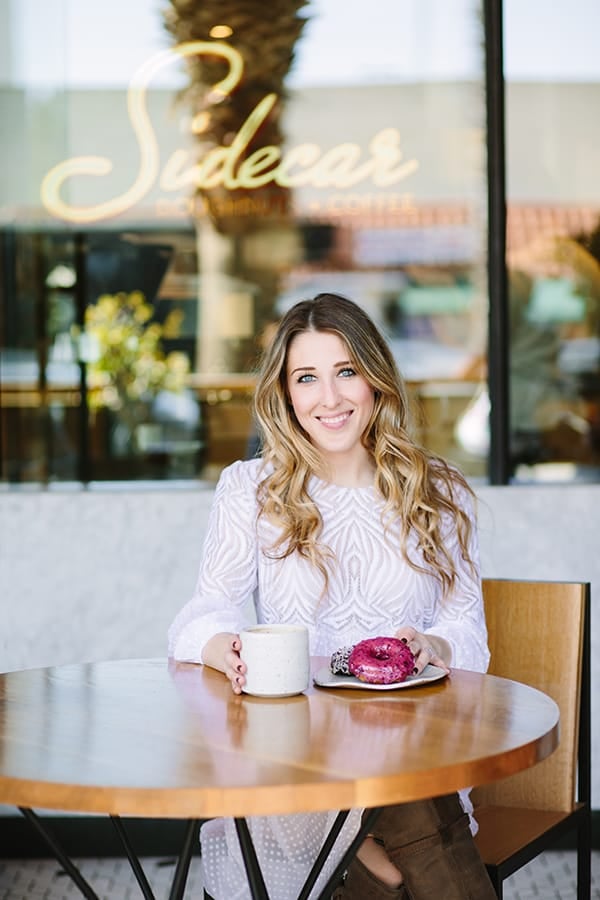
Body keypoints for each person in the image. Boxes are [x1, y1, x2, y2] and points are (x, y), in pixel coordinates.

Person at [168, 293, 496, 900]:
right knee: (413, 840)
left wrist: (434, 644)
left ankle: (370, 865)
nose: (330, 397)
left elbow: (468, 632)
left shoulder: (439, 491)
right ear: (286, 393)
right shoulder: (251, 490)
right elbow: (202, 611)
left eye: (346, 372)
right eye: (307, 378)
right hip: (299, 761)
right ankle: (368, 864)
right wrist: (223, 645)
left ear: (375, 380)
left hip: (411, 752)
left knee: (405, 806)